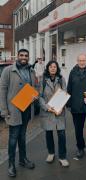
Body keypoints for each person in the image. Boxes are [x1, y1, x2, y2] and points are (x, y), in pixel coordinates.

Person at [0, 49, 36, 177]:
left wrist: (34, 96)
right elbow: (2, 90)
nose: (24, 57)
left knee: (22, 136)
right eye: (21, 55)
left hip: (26, 109)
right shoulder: (8, 70)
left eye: (26, 55)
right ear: (18, 56)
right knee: (13, 138)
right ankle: (11, 164)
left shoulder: (31, 70)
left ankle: (22, 159)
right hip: (13, 110)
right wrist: (4, 111)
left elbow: (34, 88)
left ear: (28, 57)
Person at [67, 53, 86, 159]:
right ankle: (80, 148)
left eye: (84, 60)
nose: (82, 62)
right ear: (77, 61)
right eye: (80, 60)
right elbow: (69, 88)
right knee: (78, 130)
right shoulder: (73, 72)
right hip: (76, 107)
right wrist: (69, 104)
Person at [39, 60, 69, 167]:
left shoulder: (61, 79)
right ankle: (51, 153)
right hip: (47, 112)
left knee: (61, 134)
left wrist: (61, 107)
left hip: (59, 111)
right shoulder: (42, 80)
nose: (53, 68)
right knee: (49, 134)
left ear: (57, 69)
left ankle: (62, 157)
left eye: (55, 67)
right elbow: (40, 96)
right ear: (47, 68)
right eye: (51, 67)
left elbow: (64, 93)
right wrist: (47, 108)